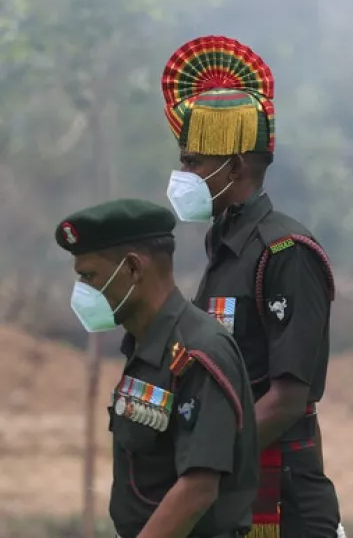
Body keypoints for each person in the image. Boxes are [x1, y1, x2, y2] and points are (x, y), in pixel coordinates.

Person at [160, 35, 343, 537]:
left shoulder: (285, 251)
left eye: (193, 161)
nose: (183, 173)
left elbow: (287, 397)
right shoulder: (225, 244)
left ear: (234, 166)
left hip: (280, 502)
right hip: (232, 490)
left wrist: (209, 461)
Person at [56, 198, 259, 538]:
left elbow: (198, 488)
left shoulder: (199, 351)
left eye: (89, 276)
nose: (82, 293)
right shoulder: (146, 348)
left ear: (133, 268)